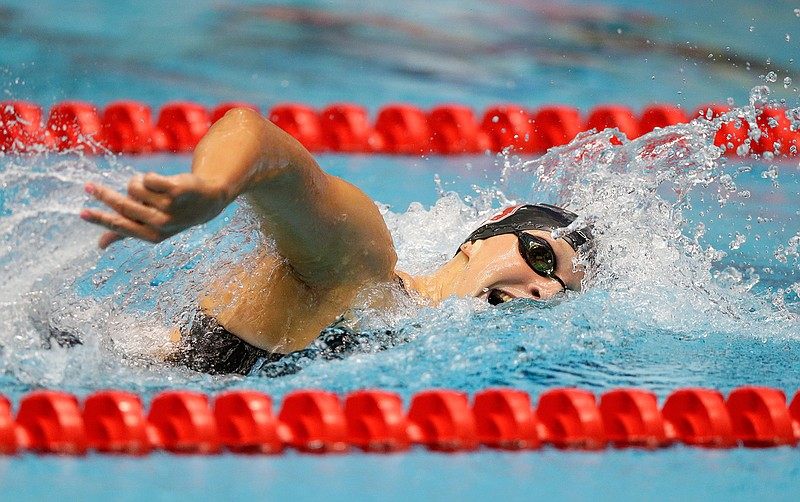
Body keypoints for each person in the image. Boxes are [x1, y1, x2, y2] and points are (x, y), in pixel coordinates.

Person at [81, 107, 589, 375]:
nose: (543, 289)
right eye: (542, 256)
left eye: (558, 291)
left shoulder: (416, 339)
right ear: (480, 238)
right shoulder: (363, 269)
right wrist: (214, 188)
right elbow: (254, 133)